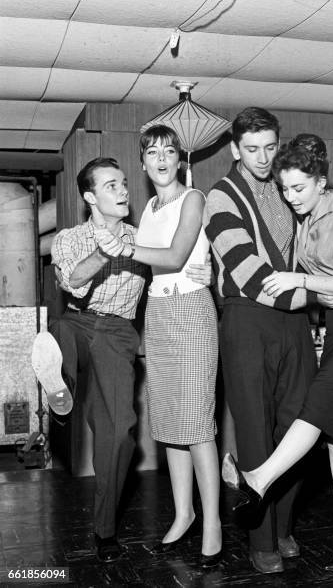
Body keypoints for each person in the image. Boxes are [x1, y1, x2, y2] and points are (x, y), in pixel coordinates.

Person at [222, 134, 333, 570]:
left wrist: (300, 282)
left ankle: (259, 478)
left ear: (321, 182)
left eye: (298, 188)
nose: (290, 197)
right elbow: (327, 287)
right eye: (284, 189)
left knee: (317, 406)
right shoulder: (306, 218)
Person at [202, 108, 333, 575]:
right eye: (251, 149)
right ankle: (260, 539)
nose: (262, 158)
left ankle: (284, 528)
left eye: (269, 147)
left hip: (295, 319)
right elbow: (249, 274)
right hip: (248, 319)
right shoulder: (219, 197)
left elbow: (323, 249)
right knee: (254, 431)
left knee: (298, 428)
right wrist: (321, 291)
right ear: (233, 150)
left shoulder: (290, 188)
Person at [92, 126, 222, 568]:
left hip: (191, 312)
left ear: (180, 160)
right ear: (143, 164)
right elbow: (143, 264)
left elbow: (173, 257)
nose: (162, 158)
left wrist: (125, 244)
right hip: (160, 315)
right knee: (168, 421)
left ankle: (212, 523)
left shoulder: (194, 199)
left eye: (169, 151)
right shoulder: (147, 207)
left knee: (198, 422)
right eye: (153, 152)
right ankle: (184, 513)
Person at [50, 157, 148, 562]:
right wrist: (103, 253)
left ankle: (104, 530)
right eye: (111, 185)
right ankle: (59, 386)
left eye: (124, 183)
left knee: (119, 432)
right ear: (90, 196)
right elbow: (71, 281)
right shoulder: (69, 238)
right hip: (78, 322)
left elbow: (174, 270)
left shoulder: (143, 239)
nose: (123, 190)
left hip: (118, 333)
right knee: (60, 333)